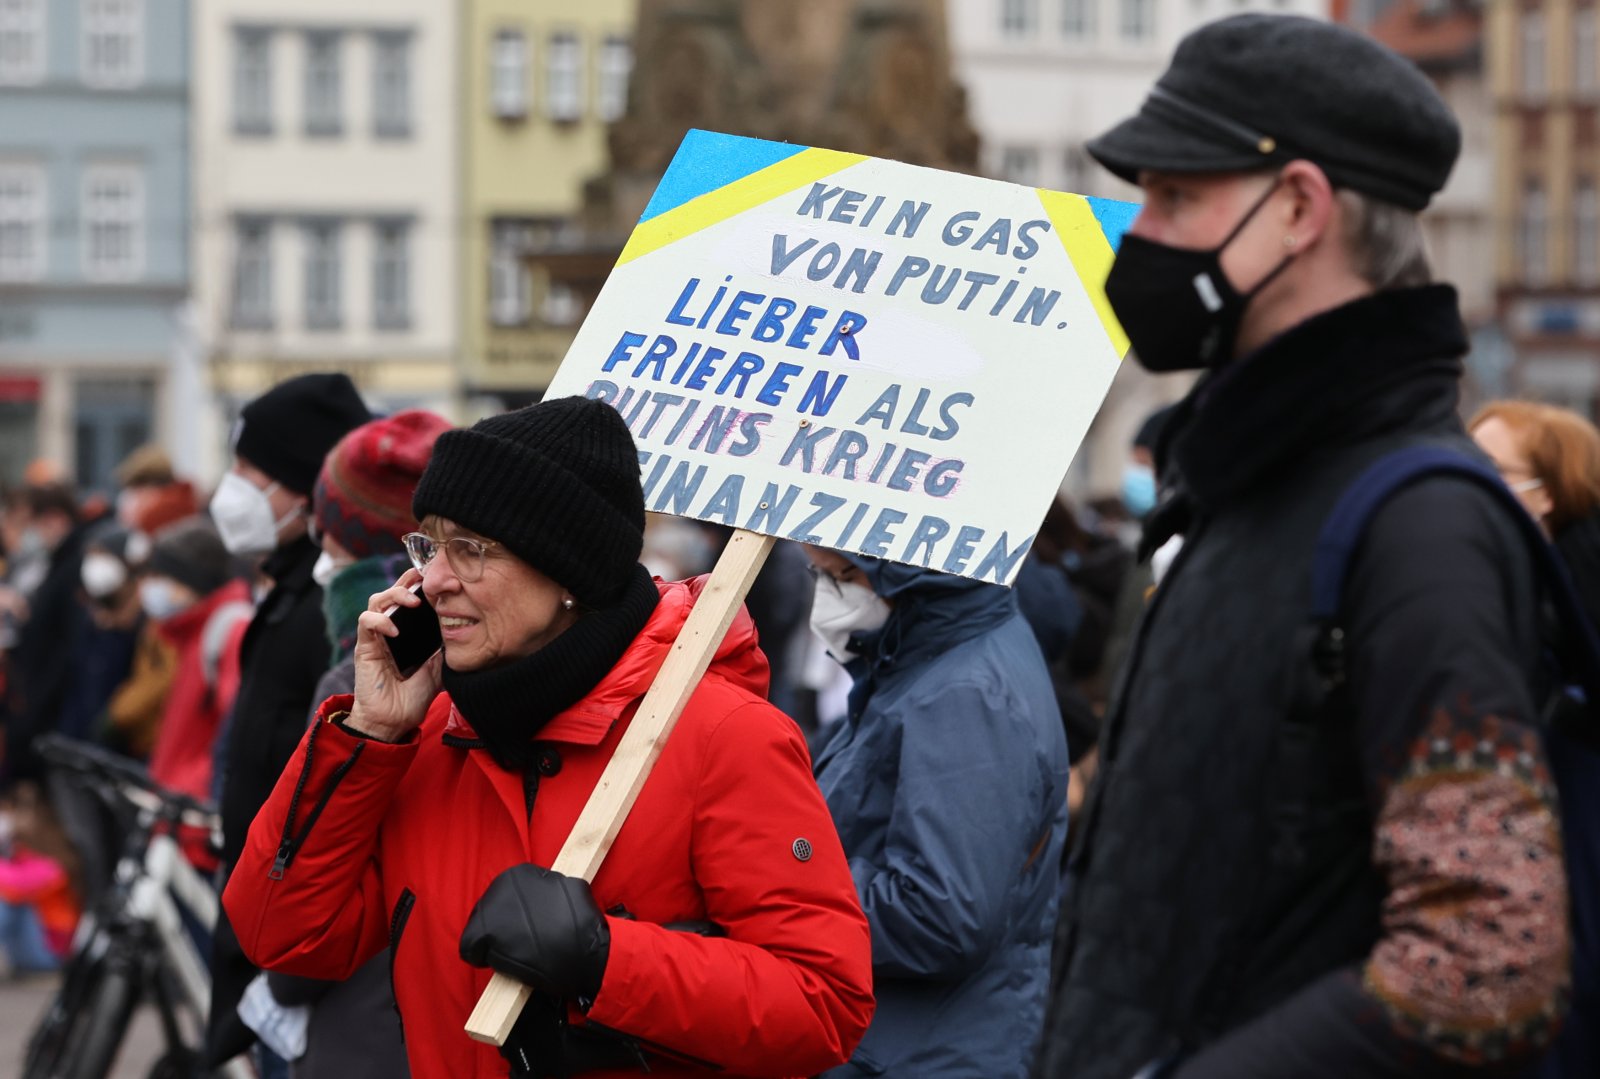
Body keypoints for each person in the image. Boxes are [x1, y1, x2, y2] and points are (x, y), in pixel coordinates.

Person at [1035, 15, 1569, 1078]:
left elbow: (1487, 953)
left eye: (1175, 196)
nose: (1141, 230)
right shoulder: (1244, 487)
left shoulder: (1418, 522)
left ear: (1296, 209)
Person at [223, 397, 874, 1077]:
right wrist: (369, 732)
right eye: (431, 545)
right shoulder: (429, 736)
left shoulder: (724, 736)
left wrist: (607, 960)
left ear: (568, 571)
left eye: (471, 550)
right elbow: (281, 934)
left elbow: (824, 1005)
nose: (433, 580)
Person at [807, 548, 1067, 1077]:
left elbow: (942, 915)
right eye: (819, 574)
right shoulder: (928, 656)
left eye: (843, 575)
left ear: (904, 570)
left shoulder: (966, 692)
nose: (828, 593)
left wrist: (782, 890)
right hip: (903, 1040)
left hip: (919, 1050)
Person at [258, 408, 449, 1079]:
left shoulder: (362, 681)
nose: (323, 559)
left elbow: (306, 896)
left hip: (363, 1029)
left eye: (332, 537)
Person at [206, 373, 371, 1071]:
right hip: (268, 933)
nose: (232, 487)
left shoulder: (332, 610)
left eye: (251, 470)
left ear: (304, 490)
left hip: (297, 958)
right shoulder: (293, 592)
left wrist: (284, 977)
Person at [140, 519, 252, 804]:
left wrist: (191, 792)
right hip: (174, 803)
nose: (151, 586)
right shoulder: (190, 631)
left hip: (193, 809)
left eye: (162, 576)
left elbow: (236, 735)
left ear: (192, 580)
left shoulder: (230, 629)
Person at [1, 482, 89, 785]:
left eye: (31, 523)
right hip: (41, 702)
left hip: (49, 709)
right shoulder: (57, 562)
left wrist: (34, 709)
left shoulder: (71, 565)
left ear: (54, 518)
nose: (29, 533)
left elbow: (65, 644)